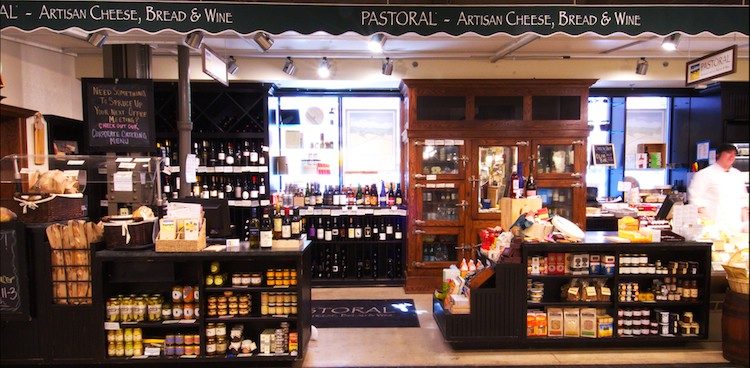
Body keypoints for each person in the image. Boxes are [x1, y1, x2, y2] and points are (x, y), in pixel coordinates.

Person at [688, 143, 749, 232]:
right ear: (718, 155)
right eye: (728, 153)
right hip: (714, 229)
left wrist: (746, 223)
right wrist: (710, 226)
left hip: (736, 228)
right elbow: (696, 203)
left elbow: (743, 203)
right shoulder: (704, 174)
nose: (732, 156)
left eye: (734, 154)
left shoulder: (737, 175)